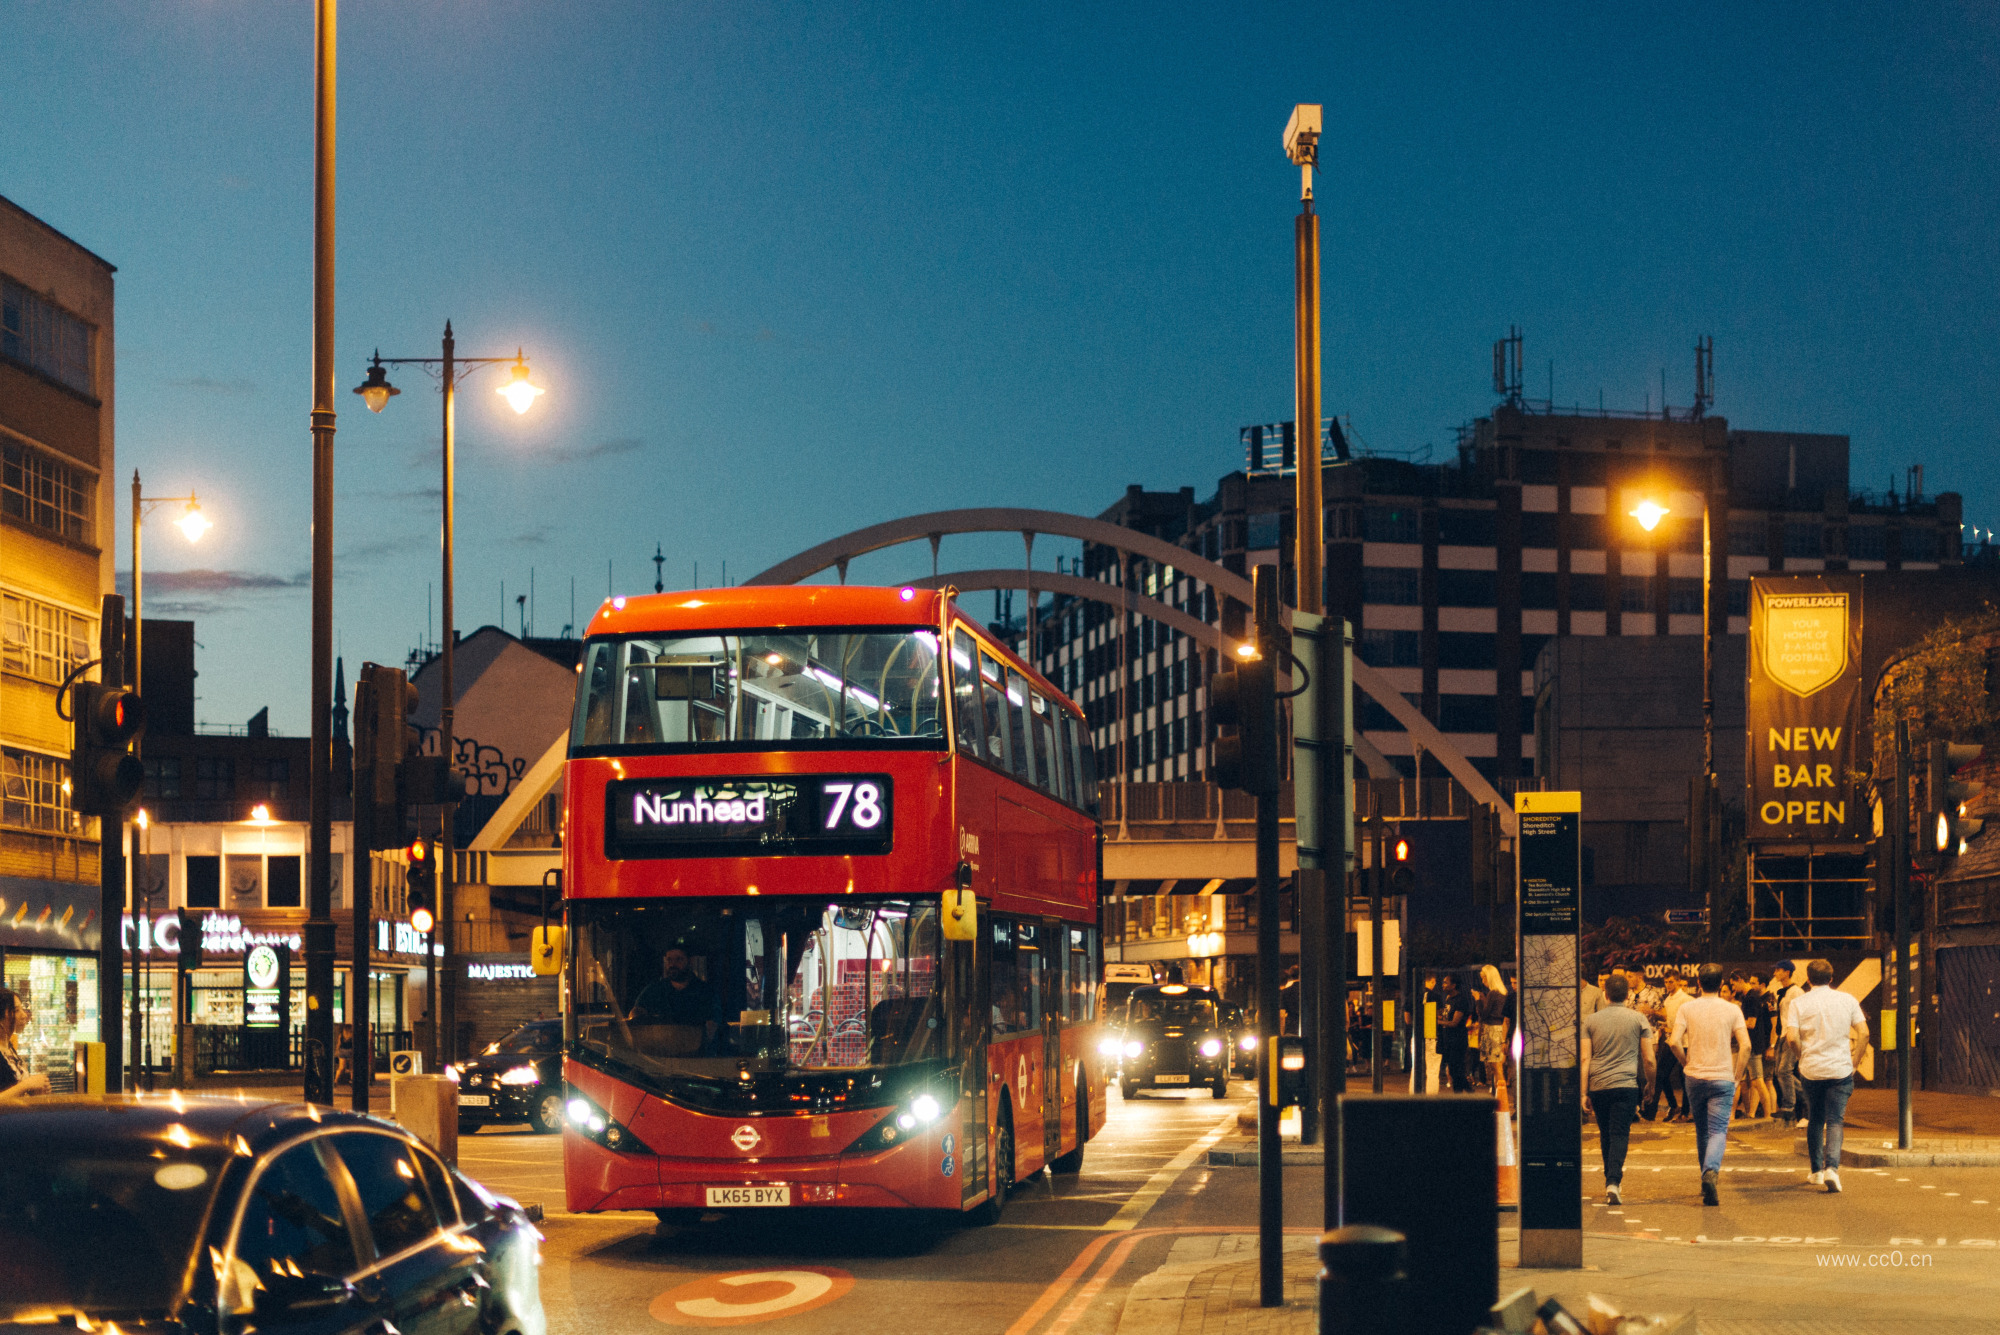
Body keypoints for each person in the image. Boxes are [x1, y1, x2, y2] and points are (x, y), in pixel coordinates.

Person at [1669, 964, 1750, 1206]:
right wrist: (1737, 1075)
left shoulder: (1687, 1007)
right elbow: (1745, 1046)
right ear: (1721, 982)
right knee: (1718, 1130)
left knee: (1701, 1129)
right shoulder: (1732, 1009)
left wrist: (1686, 1063)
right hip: (1723, 1076)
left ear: (1698, 981)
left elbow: (1674, 1042)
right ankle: (1711, 1172)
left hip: (1694, 1076)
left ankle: (1704, 1176)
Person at [1788, 958, 1870, 1192]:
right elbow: (1864, 1033)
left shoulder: (1799, 1003)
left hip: (1811, 1069)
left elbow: (1792, 1038)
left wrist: (1802, 1056)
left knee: (1815, 1118)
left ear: (1808, 979)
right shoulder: (1847, 1000)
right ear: (1832, 978)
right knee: (1836, 1120)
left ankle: (1815, 1171)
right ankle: (1832, 1168)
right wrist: (1854, 1062)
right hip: (1840, 1069)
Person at [1581, 973, 1656, 1204]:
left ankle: (1610, 1181)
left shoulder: (1590, 1021)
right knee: (1620, 1134)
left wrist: (1583, 1092)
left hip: (1599, 1084)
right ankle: (1613, 1182)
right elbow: (1649, 1059)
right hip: (1626, 1084)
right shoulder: (1639, 1019)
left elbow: (1585, 1059)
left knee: (1606, 1134)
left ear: (1605, 994)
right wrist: (1650, 1085)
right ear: (1627, 995)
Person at [632, 945, 719, 1045]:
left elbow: (712, 1025)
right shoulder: (654, 990)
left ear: (690, 961)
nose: (673, 965)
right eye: (669, 960)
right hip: (659, 1052)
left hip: (694, 1053)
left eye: (679, 959)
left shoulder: (705, 992)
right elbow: (637, 1011)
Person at [1734, 974, 1775, 1119]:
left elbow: (1751, 1023)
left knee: (1759, 1080)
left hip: (1753, 1046)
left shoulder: (1752, 998)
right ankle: (1750, 1113)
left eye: (1733, 985)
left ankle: (1768, 1115)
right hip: (1749, 1044)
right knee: (1744, 1081)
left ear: (1739, 980)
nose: (1733, 988)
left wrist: (1734, 1023)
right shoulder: (1748, 998)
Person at [0, 988, 51, 1101]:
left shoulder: (9, 1048)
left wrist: (36, 1090)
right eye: (17, 1010)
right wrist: (26, 1085)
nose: (24, 1015)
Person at [1654, 972, 1691, 1122]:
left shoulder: (1687, 999)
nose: (1668, 985)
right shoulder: (1668, 1000)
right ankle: (1674, 1105)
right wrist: (1665, 1027)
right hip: (1671, 1043)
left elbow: (1691, 1023)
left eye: (1671, 982)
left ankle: (1685, 1113)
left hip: (1686, 1043)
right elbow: (1669, 1021)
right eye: (1666, 982)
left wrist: (1674, 1029)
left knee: (1685, 1078)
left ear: (1678, 981)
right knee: (1661, 1075)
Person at [1477, 964, 1511, 1098]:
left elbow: (1484, 1015)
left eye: (1484, 978)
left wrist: (1478, 1001)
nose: (1482, 981)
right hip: (1500, 1029)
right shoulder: (1503, 993)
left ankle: (1502, 1098)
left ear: (1489, 977)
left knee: (1496, 1068)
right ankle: (1499, 1096)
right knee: (1497, 1067)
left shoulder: (1493, 993)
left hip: (1491, 1030)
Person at [1437, 973, 1474, 1093]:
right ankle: (1464, 1093)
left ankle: (1464, 1093)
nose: (1442, 985)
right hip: (1448, 1039)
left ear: (1453, 985)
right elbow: (1446, 1016)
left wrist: (1439, 1021)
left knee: (1457, 1070)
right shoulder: (1448, 999)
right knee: (1453, 1070)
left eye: (1445, 983)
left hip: (1457, 1040)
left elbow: (1454, 1022)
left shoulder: (1460, 1000)